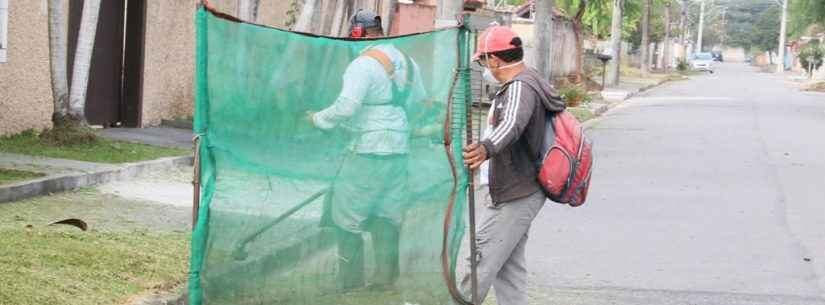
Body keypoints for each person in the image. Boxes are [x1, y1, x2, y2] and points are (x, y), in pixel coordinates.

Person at [307, 9, 426, 292]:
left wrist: (317, 119)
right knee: (388, 211)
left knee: (347, 212)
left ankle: (349, 281)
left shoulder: (363, 65)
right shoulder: (409, 62)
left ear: (357, 32)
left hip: (367, 149)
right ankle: (385, 279)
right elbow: (418, 101)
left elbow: (346, 107)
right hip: (398, 149)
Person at [461, 26, 565, 305]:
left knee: (480, 259)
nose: (484, 67)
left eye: (483, 61)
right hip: (520, 188)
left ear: (494, 60)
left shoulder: (521, 85)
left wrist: (485, 148)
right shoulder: (527, 81)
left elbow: (512, 124)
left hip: (516, 191)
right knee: (508, 268)